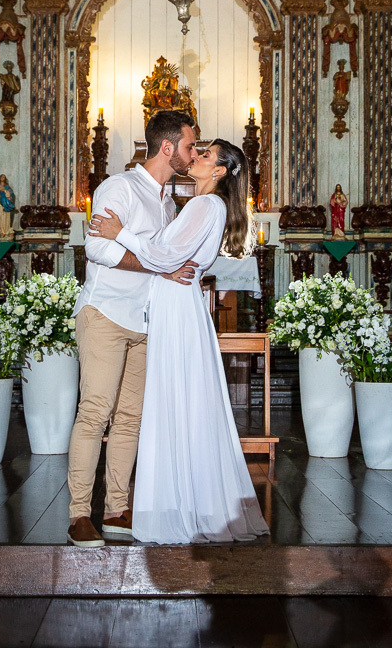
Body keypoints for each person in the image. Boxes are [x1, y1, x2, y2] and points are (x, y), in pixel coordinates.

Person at [90, 139, 269, 545]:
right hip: (177, 303)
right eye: (198, 150)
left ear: (219, 171)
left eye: (206, 155)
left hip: (176, 306)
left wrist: (120, 233)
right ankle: (185, 499)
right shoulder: (202, 206)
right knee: (179, 398)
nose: (197, 156)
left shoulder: (206, 205)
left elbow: (165, 255)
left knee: (174, 397)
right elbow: (170, 256)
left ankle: (177, 505)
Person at [66, 109, 198, 548]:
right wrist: (158, 268)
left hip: (144, 320)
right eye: (189, 146)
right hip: (105, 313)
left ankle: (116, 509)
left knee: (129, 419)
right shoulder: (118, 187)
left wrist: (163, 268)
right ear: (167, 147)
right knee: (94, 412)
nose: (192, 154)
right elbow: (97, 248)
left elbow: (163, 258)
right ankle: (78, 514)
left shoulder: (167, 203)